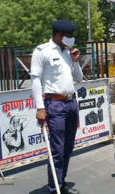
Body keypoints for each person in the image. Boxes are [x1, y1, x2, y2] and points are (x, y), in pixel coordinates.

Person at [30, 20, 83, 194]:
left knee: (68, 147)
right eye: (70, 35)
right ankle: (55, 189)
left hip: (71, 103)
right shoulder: (42, 51)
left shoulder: (68, 53)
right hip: (55, 104)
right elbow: (35, 79)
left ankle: (61, 182)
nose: (72, 38)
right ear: (59, 35)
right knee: (57, 149)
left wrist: (75, 62)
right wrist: (40, 107)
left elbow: (79, 79)